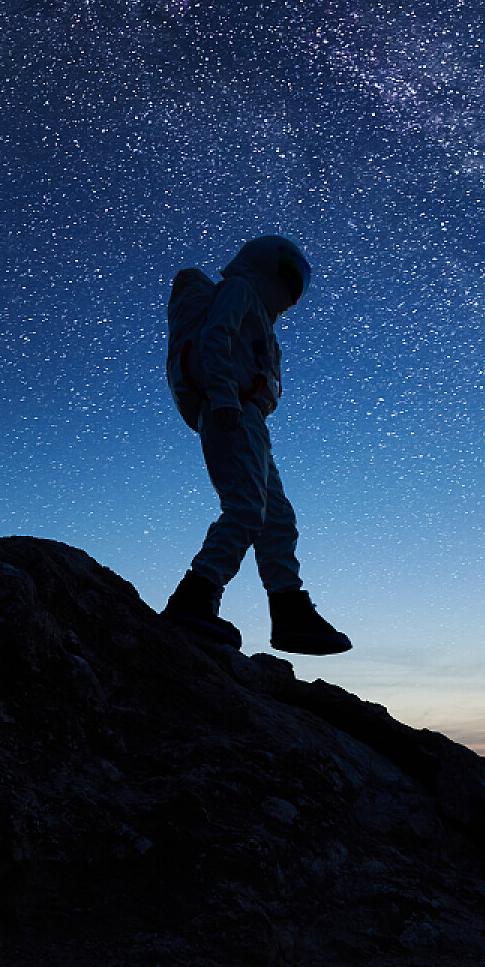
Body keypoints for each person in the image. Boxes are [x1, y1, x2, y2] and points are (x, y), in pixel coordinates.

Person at [162, 235, 352, 655]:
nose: (293, 288)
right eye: (290, 276)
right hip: (228, 407)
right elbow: (217, 334)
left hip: (245, 414)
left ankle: (289, 608)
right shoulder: (241, 288)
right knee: (246, 506)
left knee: (278, 517)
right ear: (270, 264)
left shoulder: (258, 308)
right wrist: (225, 396)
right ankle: (196, 595)